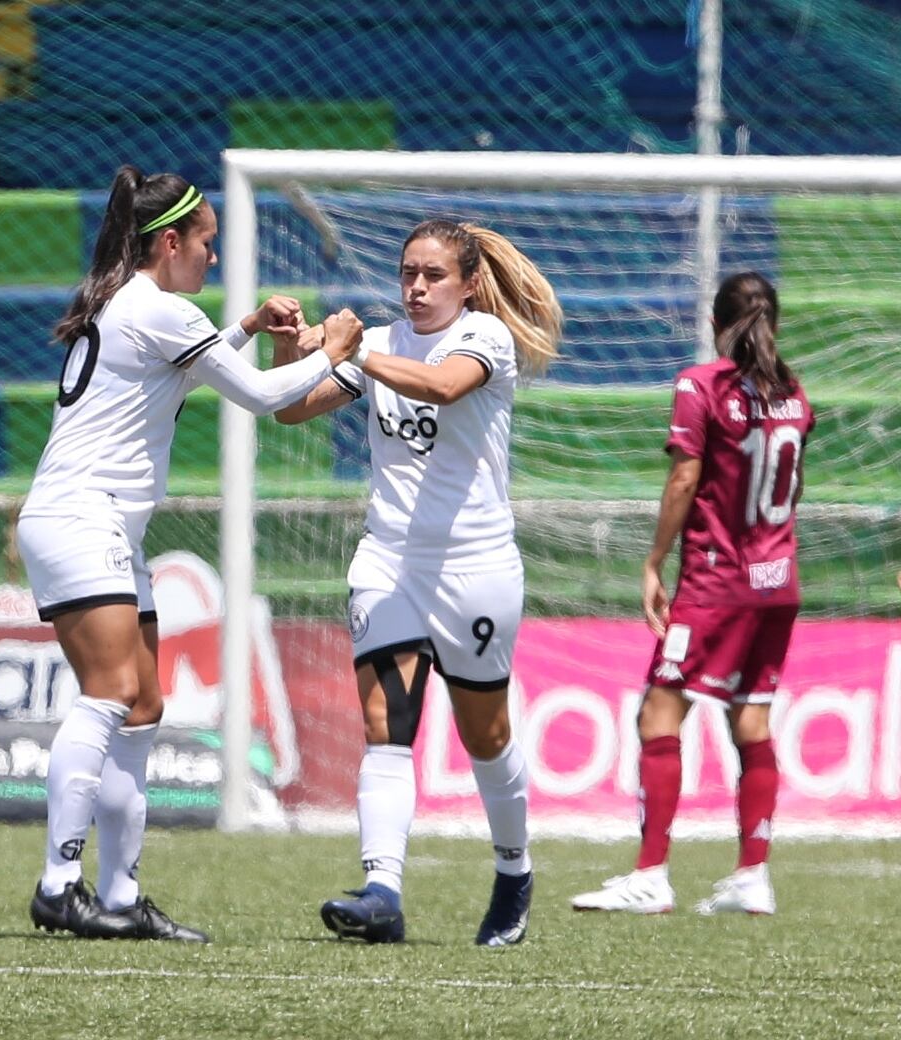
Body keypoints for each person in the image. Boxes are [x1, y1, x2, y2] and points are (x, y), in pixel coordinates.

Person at [19, 165, 363, 942]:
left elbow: (179, 374)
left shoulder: (132, 303)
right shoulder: (160, 309)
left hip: (99, 524)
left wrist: (245, 327)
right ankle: (58, 886)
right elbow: (265, 397)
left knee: (142, 706)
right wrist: (337, 351)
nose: (214, 254)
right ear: (170, 242)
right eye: (207, 241)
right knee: (110, 694)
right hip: (82, 519)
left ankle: (119, 896)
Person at [272, 218, 562, 946]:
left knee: (485, 736)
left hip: (475, 567)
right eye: (408, 273)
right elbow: (290, 408)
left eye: (434, 275)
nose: (417, 287)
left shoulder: (484, 338)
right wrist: (291, 348)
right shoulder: (383, 341)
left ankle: (514, 870)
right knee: (385, 725)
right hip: (389, 560)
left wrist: (351, 348)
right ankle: (382, 893)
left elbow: (442, 386)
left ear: (468, 284)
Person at [571, 271, 813, 916]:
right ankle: (752, 874)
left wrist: (654, 561)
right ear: (776, 325)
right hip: (778, 581)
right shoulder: (795, 394)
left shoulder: (700, 385)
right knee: (751, 719)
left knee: (659, 712)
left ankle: (651, 874)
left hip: (717, 581)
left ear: (714, 324)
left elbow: (685, 478)